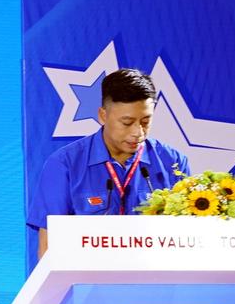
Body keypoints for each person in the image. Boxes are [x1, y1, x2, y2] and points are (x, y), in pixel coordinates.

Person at [28, 68, 191, 257]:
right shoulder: (64, 165)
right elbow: (48, 248)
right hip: (87, 274)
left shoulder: (174, 163)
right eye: (127, 122)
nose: (138, 132)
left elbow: (187, 241)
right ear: (103, 116)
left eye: (146, 121)